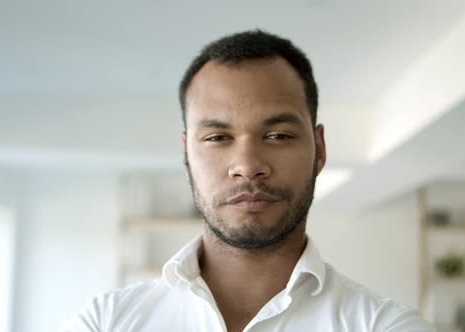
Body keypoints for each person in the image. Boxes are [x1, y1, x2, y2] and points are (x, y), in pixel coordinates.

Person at [61, 30, 435, 332]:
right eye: (217, 138)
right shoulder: (105, 322)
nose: (247, 166)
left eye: (278, 136)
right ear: (187, 155)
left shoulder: (384, 325)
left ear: (319, 149)